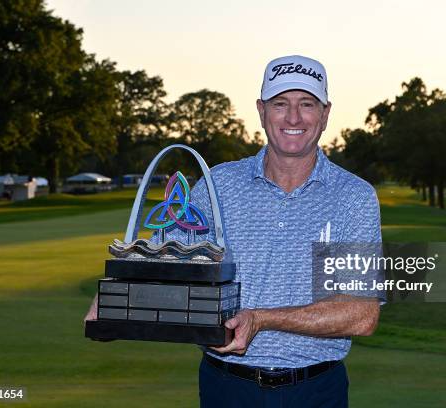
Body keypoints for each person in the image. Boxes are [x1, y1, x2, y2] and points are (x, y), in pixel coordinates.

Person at [85, 55, 384, 407]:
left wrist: (261, 320)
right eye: (279, 104)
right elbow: (168, 250)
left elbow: (361, 314)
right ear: (261, 111)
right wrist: (118, 298)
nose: (293, 117)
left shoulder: (353, 197)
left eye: (307, 104)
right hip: (226, 387)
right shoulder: (219, 184)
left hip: (316, 390)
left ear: (325, 113)